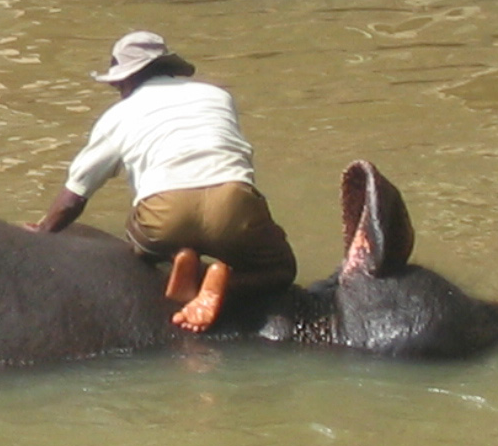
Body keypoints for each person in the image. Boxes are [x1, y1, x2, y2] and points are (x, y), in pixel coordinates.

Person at [27, 31, 297, 332]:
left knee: (140, 241)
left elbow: (75, 196)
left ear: (126, 79)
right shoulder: (217, 96)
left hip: (165, 212)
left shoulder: (117, 117)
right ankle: (223, 282)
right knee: (280, 269)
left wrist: (42, 233)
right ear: (168, 66)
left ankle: (179, 257)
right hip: (232, 200)